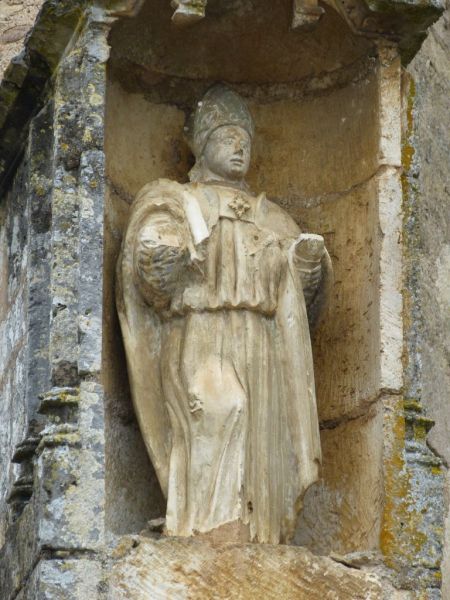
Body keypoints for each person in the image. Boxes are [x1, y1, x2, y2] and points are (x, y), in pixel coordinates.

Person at [116, 85, 332, 543]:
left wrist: (304, 266)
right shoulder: (176, 202)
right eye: (227, 136)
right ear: (202, 144)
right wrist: (162, 255)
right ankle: (203, 531)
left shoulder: (272, 217)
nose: (239, 147)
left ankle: (259, 536)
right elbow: (150, 277)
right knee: (219, 407)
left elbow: (298, 302)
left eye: (245, 139)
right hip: (200, 333)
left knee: (259, 437)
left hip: (261, 341)